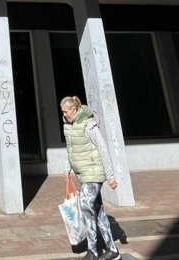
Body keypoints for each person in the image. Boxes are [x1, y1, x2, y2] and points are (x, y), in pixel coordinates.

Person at [60, 96, 120, 260]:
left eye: (66, 112)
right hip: (83, 173)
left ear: (74, 109)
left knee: (85, 206)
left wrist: (110, 176)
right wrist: (67, 168)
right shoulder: (68, 125)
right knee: (98, 211)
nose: (64, 115)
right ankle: (113, 251)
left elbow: (103, 148)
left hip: (93, 171)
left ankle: (92, 251)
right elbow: (70, 148)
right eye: (62, 112)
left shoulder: (88, 124)